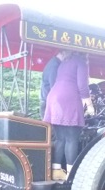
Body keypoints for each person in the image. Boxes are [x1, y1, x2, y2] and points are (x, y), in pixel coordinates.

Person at [43, 52, 95, 181]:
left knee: (60, 139)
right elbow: (82, 86)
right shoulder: (81, 62)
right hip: (68, 99)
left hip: (54, 98)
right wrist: (90, 106)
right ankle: (71, 174)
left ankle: (56, 171)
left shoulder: (64, 62)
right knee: (72, 139)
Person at [39, 51, 68, 119]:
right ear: (63, 53)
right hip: (48, 103)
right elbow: (55, 87)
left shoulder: (53, 63)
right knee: (52, 128)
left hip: (46, 101)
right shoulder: (55, 66)